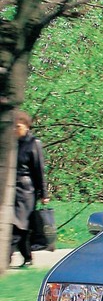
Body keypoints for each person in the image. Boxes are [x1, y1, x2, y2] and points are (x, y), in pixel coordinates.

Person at [10, 110, 49, 267]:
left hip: (26, 191)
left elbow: (39, 170)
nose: (15, 130)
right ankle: (27, 257)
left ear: (26, 126)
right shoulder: (12, 144)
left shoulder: (34, 143)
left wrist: (43, 193)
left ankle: (5, 258)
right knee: (21, 225)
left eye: (18, 126)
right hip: (12, 189)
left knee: (18, 224)